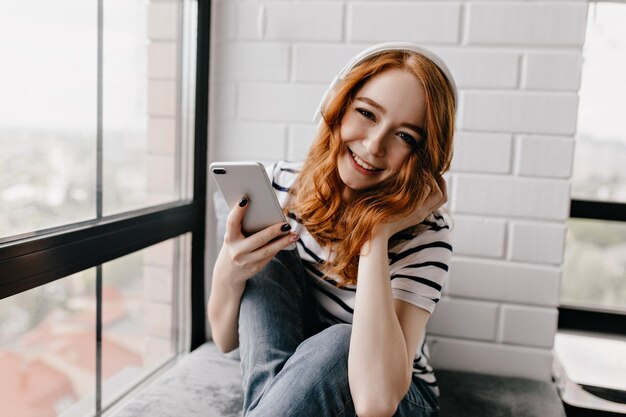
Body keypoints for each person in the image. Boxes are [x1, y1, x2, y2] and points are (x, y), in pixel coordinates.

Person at [208, 42, 456, 417]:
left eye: (404, 136)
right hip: (299, 373)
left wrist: (378, 233)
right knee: (269, 256)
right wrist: (232, 269)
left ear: (422, 156)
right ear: (337, 104)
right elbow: (225, 340)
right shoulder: (279, 183)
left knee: (343, 341)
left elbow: (377, 401)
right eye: (367, 113)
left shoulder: (426, 235)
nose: (374, 146)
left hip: (395, 392)